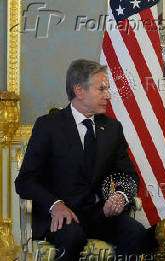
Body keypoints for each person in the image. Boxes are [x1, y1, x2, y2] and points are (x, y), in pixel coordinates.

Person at [15, 59, 149, 260]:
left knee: (137, 233)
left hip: (100, 214)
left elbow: (128, 176)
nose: (108, 95)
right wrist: (55, 205)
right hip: (63, 217)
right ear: (79, 90)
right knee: (72, 238)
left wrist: (120, 195)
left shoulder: (112, 128)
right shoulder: (48, 126)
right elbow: (25, 181)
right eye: (101, 89)